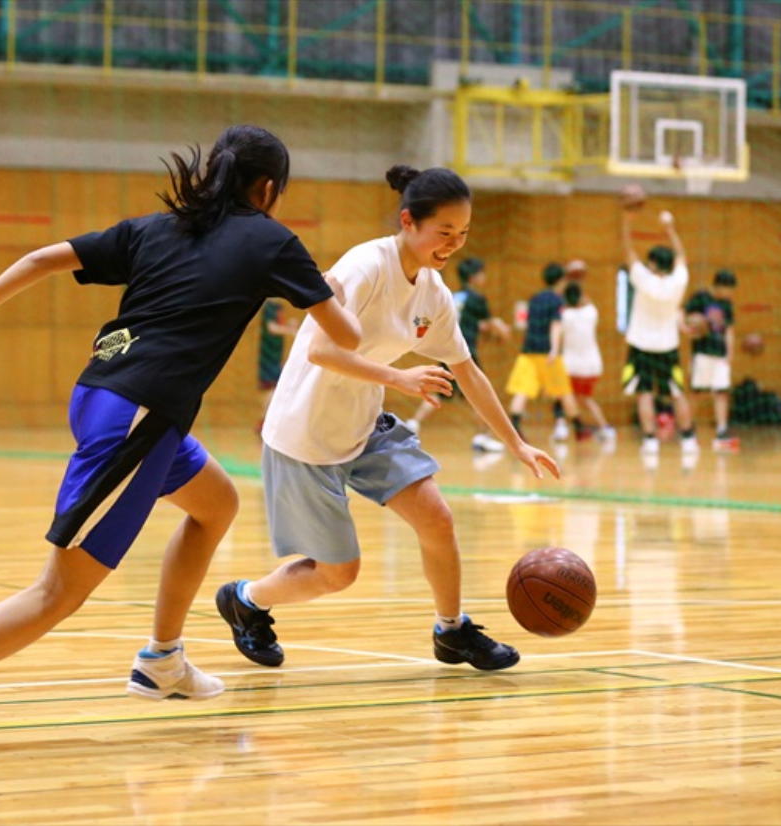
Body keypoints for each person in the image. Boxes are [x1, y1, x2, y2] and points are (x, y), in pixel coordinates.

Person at [0, 125, 361, 753]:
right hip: (138, 421)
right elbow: (342, 336)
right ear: (268, 189)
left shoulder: (155, 229)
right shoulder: (272, 240)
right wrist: (331, 288)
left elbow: (40, 258)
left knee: (216, 505)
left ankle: (162, 661)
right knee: (59, 592)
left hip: (103, 396)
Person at [214, 165, 560, 673]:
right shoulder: (366, 266)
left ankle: (451, 630)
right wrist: (398, 379)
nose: (453, 244)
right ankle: (246, 599)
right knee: (338, 574)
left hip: (363, 423)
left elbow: (468, 371)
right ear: (408, 221)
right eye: (444, 232)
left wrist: (517, 444)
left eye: (462, 234)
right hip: (305, 434)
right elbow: (323, 353)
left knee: (437, 519)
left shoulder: (434, 294)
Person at [406, 257, 510, 453]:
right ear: (474, 276)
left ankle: (413, 424)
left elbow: (471, 322)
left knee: (440, 390)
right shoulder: (477, 299)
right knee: (478, 393)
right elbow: (491, 323)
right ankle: (482, 438)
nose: (484, 277)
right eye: (481, 273)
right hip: (464, 351)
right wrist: (503, 331)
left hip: (448, 348)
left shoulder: (453, 296)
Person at [619, 207, 697, 456]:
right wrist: (670, 230)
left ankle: (650, 440)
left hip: (640, 345)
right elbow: (682, 257)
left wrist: (627, 222)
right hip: (667, 345)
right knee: (676, 392)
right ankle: (688, 439)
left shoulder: (644, 279)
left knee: (644, 393)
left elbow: (628, 252)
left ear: (652, 263)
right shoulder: (678, 281)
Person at [505, 263, 589, 443]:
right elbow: (556, 325)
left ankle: (515, 427)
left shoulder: (534, 298)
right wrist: (554, 349)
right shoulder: (557, 300)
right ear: (562, 279)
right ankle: (579, 428)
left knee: (522, 391)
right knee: (564, 391)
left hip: (528, 351)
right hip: (548, 353)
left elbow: (525, 322)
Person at [685, 269, 738, 450]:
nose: (730, 293)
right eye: (729, 289)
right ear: (720, 286)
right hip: (702, 353)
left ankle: (722, 430)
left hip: (720, 354)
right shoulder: (701, 297)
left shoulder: (727, 304)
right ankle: (687, 427)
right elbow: (685, 316)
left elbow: (729, 329)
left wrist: (730, 353)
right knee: (697, 393)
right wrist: (695, 323)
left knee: (721, 392)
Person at [560, 280, 615, 441]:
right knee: (585, 399)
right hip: (592, 365)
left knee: (564, 397)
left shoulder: (564, 315)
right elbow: (587, 300)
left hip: (571, 366)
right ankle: (604, 427)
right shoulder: (592, 312)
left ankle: (562, 427)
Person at [256, 299, 299, 431]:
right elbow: (272, 328)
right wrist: (290, 330)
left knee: (275, 389)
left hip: (276, 359)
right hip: (267, 358)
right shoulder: (269, 307)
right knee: (270, 390)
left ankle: (265, 421)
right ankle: (263, 422)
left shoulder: (278, 307)